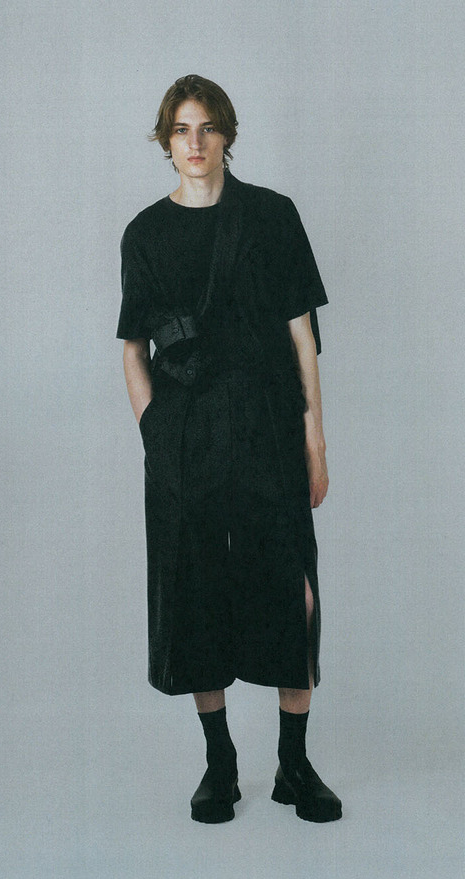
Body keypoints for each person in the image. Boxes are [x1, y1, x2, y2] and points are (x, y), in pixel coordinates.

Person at [117, 74, 342, 824]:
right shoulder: (145, 234)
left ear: (227, 136)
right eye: (182, 129)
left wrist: (314, 437)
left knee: (292, 589)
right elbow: (133, 347)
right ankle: (220, 763)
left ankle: (294, 763)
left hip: (268, 426)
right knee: (197, 593)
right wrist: (155, 432)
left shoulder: (272, 216)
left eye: (208, 127)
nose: (196, 143)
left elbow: (302, 336)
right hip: (186, 438)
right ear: (165, 140)